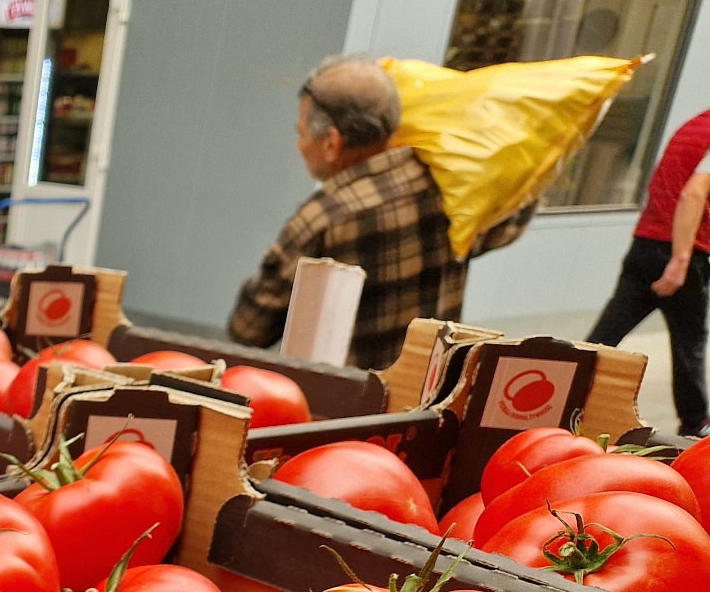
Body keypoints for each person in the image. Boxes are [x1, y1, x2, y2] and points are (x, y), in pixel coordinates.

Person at [228, 54, 532, 371]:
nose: (299, 146)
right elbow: (508, 225)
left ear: (332, 142)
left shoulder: (323, 217)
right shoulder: (451, 187)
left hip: (351, 409)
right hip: (430, 396)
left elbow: (248, 329)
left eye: (301, 133)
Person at [586, 111, 710, 438]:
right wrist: (680, 260)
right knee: (690, 344)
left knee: (604, 337)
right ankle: (696, 425)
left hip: (646, 244)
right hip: (683, 251)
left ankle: (563, 391)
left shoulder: (696, 123)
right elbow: (694, 193)